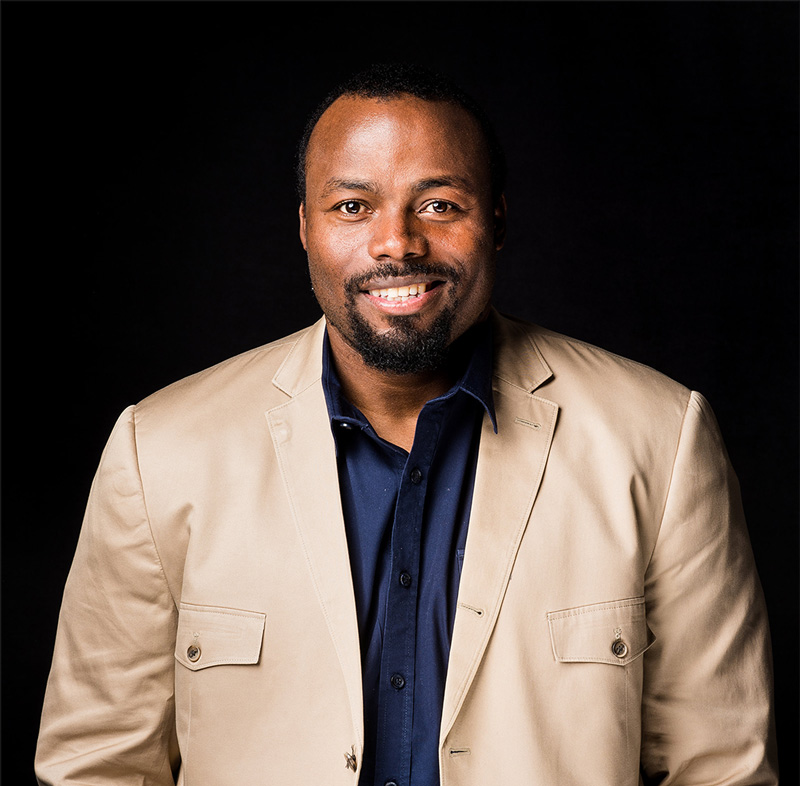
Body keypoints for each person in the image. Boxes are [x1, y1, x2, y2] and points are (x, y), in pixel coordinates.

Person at [35, 64, 777, 786]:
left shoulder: (660, 439)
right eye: (352, 206)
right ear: (305, 227)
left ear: (497, 220)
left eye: (440, 205)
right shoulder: (161, 449)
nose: (397, 243)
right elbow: (96, 765)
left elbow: (721, 767)